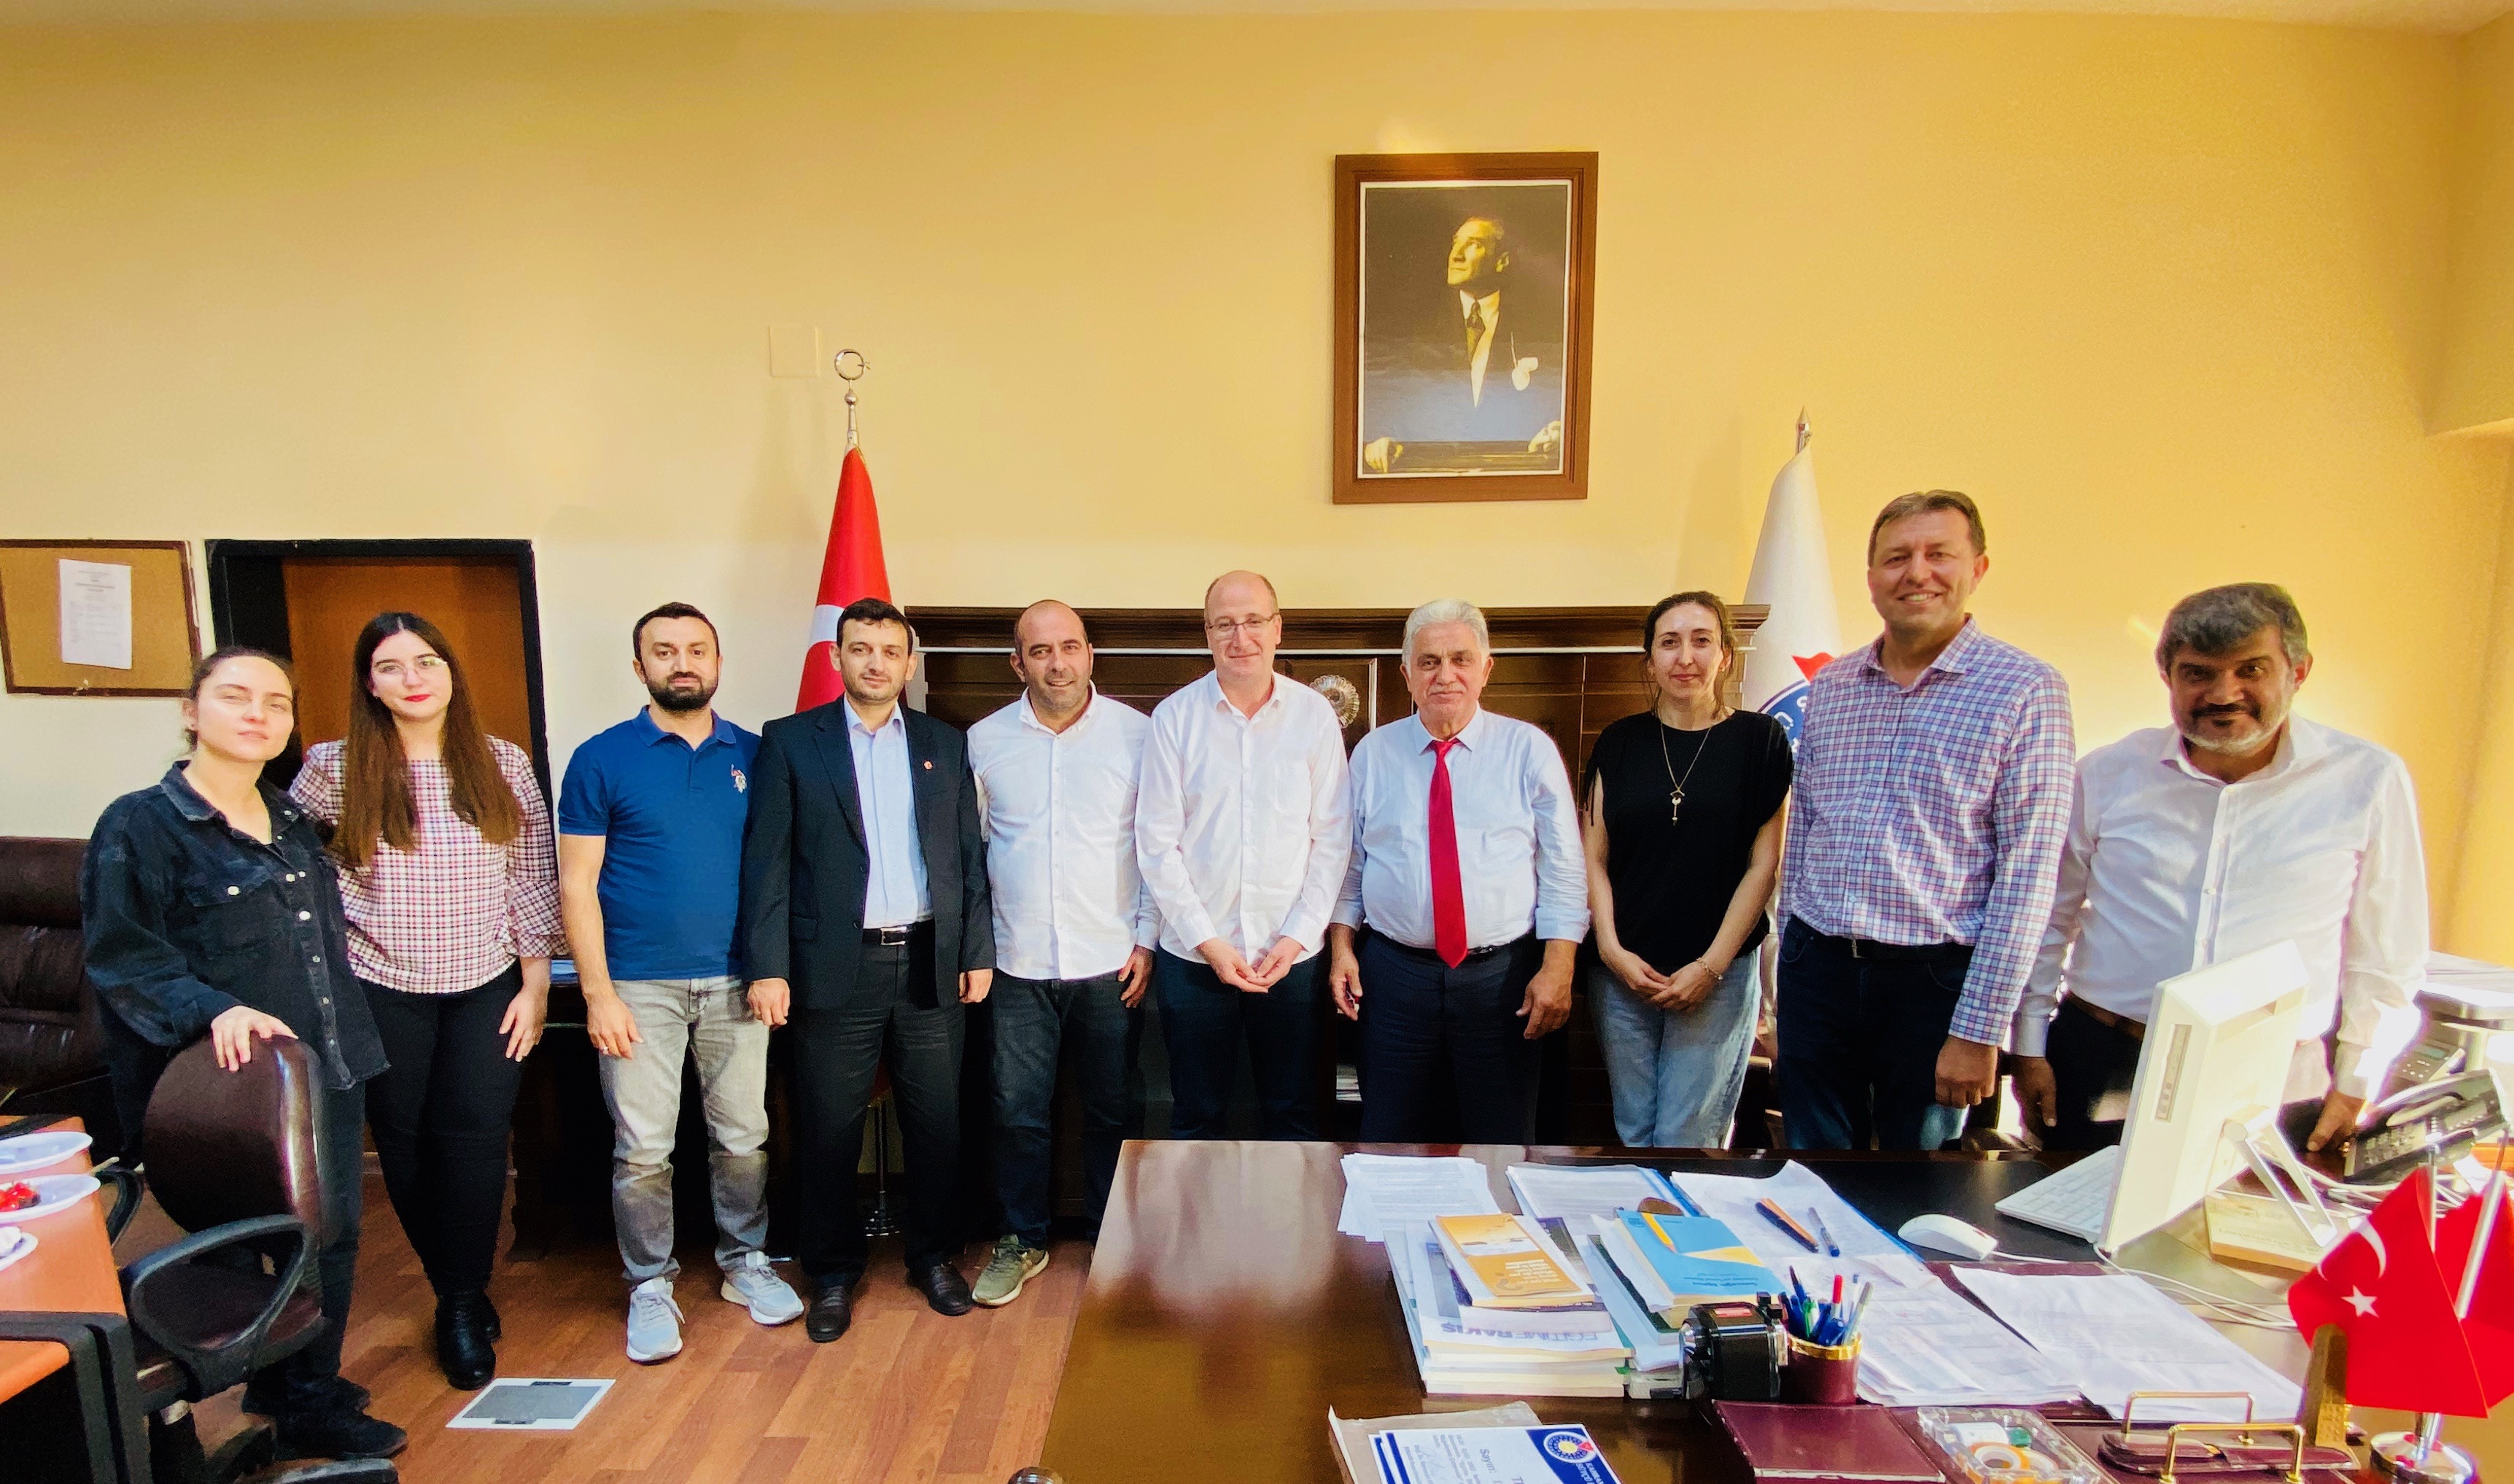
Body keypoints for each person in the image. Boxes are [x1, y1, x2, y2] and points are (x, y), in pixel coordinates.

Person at [80, 648, 406, 1462]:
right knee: (240, 1236)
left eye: (277, 702)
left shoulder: (291, 818)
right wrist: (216, 1008)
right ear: (191, 711)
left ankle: (301, 1390)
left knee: (329, 1232)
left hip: (323, 1059)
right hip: (220, 1085)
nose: (258, 714)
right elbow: (124, 958)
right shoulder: (139, 824)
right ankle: (285, 1388)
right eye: (235, 696)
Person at [2009, 583, 2424, 1153]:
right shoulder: (2105, 774)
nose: (2223, 694)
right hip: (2107, 1062)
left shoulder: (2367, 781)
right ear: (2167, 677)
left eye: (2249, 669)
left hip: (2277, 1075)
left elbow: (2387, 950)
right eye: (2197, 673)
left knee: (2247, 1215)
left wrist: (2356, 1078)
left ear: (2297, 671)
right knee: (2068, 1208)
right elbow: (2045, 919)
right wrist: (2028, 1044)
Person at [290, 611, 564, 1391]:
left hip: (488, 984)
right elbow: (298, 876)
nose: (412, 678)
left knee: (475, 1141)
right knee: (405, 1145)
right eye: (390, 666)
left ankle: (463, 1302)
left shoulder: (501, 761)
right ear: (369, 684)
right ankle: (456, 1289)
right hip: (379, 986)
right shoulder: (332, 768)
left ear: (450, 672)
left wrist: (536, 984)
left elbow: (532, 876)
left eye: (426, 661)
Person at [1776, 492, 2073, 1151]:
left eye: (1938, 554)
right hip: (1816, 968)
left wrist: (1978, 1029)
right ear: (1871, 577)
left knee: (1920, 1179)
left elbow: (2027, 875)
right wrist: (1787, 959)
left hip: (1933, 985)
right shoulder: (1833, 686)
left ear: (1977, 568)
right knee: (1810, 1165)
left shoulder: (2025, 689)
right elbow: (1805, 832)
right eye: (1896, 558)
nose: (1916, 572)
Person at [740, 597, 994, 1343]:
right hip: (832, 967)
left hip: (930, 961)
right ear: (837, 656)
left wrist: (975, 950)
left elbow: (968, 857)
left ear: (909, 663)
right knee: (827, 1129)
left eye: (889, 650)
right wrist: (768, 966)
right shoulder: (791, 741)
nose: (875, 662)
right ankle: (831, 1272)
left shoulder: (943, 743)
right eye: (860, 648)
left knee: (937, 1124)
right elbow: (767, 865)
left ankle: (933, 1257)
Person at [557, 602, 802, 1364]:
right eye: (664, 651)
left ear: (719, 663)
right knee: (642, 1149)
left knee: (743, 1136)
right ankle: (649, 1282)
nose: (683, 662)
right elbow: (576, 884)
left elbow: (779, 873)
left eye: (697, 649)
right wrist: (598, 993)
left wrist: (771, 967)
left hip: (738, 981)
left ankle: (744, 1262)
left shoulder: (758, 755)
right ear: (640, 668)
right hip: (638, 987)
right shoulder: (600, 758)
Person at [1327, 599, 1585, 1141]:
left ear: (1485, 668)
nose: (1445, 675)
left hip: (1502, 979)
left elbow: (1563, 867)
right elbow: (1349, 865)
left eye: (1460, 659)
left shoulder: (1528, 750)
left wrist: (1559, 967)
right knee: (1389, 1137)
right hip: (1393, 977)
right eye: (1428, 662)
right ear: (1407, 675)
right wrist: (1342, 948)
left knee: (1500, 1140)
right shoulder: (1373, 754)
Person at [964, 601, 1156, 1308]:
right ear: (1018, 663)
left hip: (1111, 960)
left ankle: (1114, 1235)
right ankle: (1022, 1238)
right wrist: (977, 949)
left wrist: (1147, 938)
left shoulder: (1138, 735)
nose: (1057, 664)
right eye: (1040, 651)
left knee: (1112, 1108)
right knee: (1017, 1111)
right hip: (1015, 964)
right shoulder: (984, 740)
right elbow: (972, 854)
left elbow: (1156, 845)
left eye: (1069, 647)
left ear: (1089, 654)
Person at [1136, 571, 1351, 1140]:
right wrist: (1208, 942)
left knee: (1294, 1115)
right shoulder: (1173, 718)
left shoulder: (1313, 716)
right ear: (1207, 633)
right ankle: (1199, 1209)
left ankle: (1289, 1209)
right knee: (1196, 1115)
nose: (1240, 637)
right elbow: (1156, 843)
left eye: (1253, 621)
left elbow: (1332, 837)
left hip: (1291, 958)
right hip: (1194, 957)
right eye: (1224, 624)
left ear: (1277, 628)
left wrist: (1297, 937)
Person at [1581, 593, 1793, 1148]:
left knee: (1688, 1136)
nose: (1685, 657)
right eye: (1669, 642)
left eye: (1701, 641)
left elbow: (1764, 865)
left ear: (1725, 655)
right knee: (1634, 1129)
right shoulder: (1619, 741)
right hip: (1624, 972)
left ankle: (1683, 1213)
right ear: (1650, 660)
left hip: (1717, 974)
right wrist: (1611, 950)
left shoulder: (1760, 741)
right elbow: (1593, 857)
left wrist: (1710, 966)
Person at [1362, 214, 1567, 473]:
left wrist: (1558, 431)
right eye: (1455, 243)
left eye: (1474, 244)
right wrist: (1375, 440)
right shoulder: (1412, 323)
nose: (1456, 255)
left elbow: (1561, 406)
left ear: (1502, 261)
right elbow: (1379, 397)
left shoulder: (1539, 324)